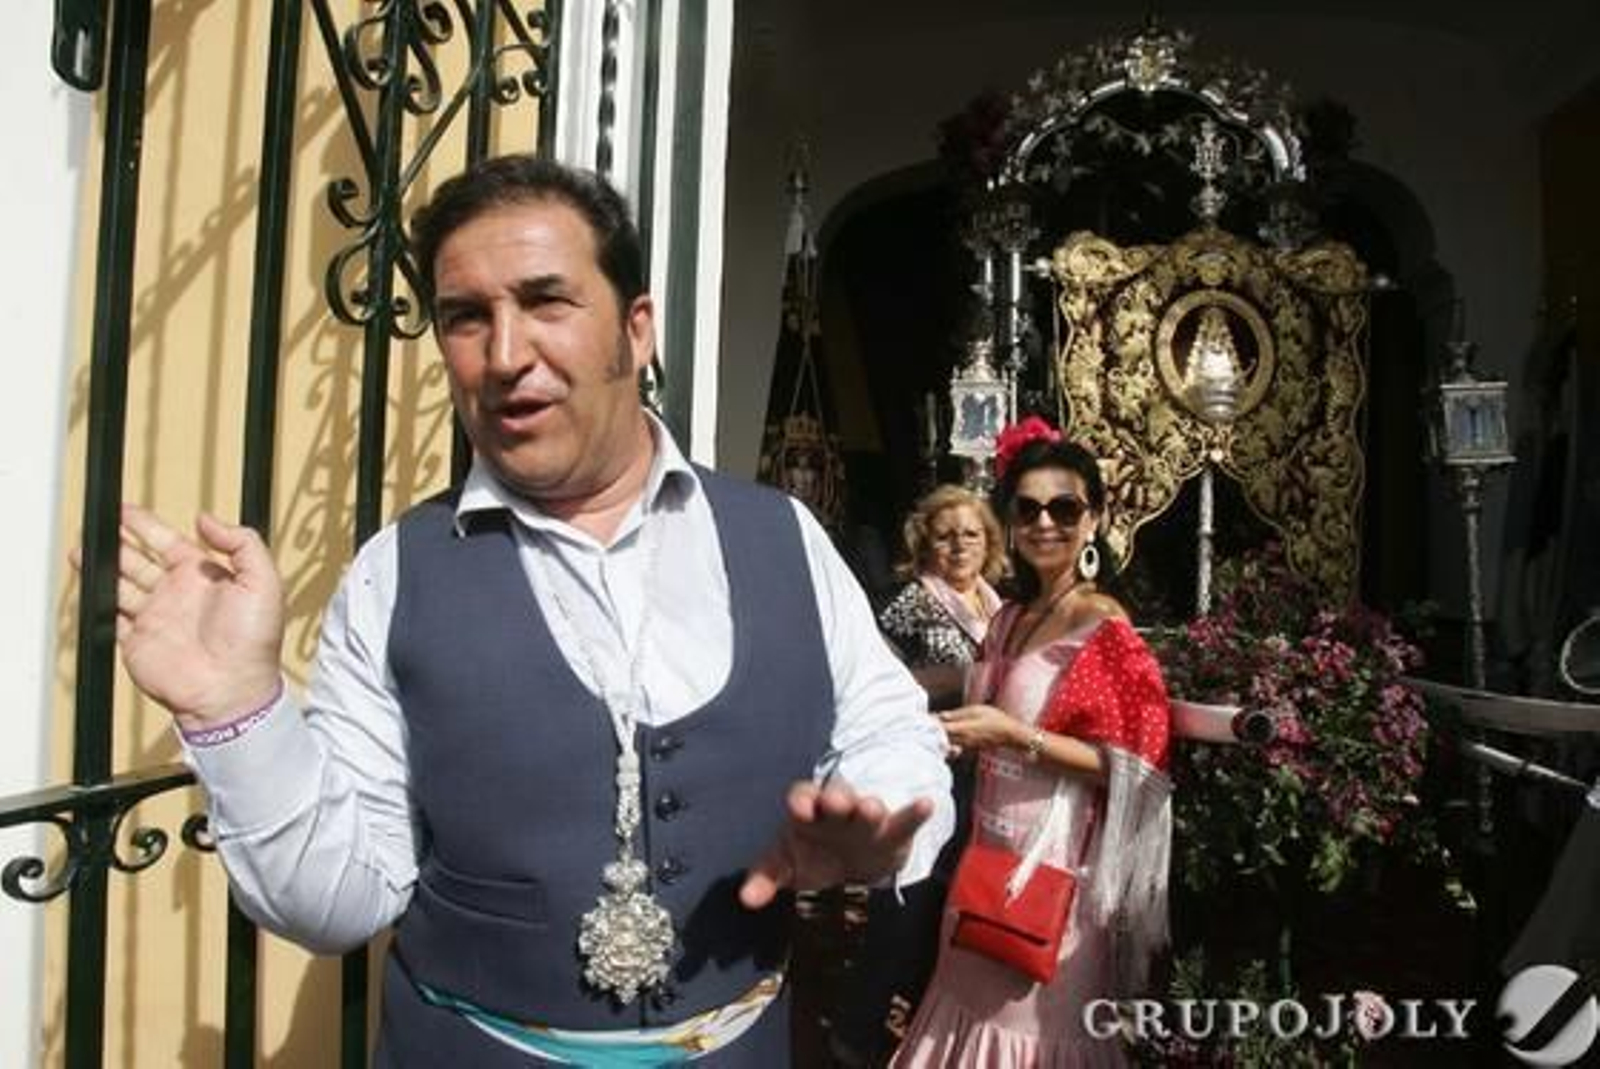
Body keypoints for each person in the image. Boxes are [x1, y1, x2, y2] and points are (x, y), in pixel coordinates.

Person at [106, 155, 952, 1066]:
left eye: (547, 301)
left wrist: (876, 815)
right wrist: (234, 709)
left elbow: (889, 729)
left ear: (636, 329)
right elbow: (333, 904)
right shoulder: (398, 571)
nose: (505, 355)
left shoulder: (783, 535)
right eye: (467, 317)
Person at [892, 417, 1172, 1067]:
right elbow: (983, 702)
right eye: (1029, 507)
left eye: (1065, 506)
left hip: (1056, 879)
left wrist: (1013, 734)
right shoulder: (1009, 617)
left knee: (1038, 1034)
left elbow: (1133, 763)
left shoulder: (1103, 622)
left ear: (1094, 519)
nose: (1046, 522)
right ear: (1011, 522)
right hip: (986, 861)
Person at [827, 486, 1005, 1064]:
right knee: (906, 908)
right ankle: (854, 1032)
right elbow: (880, 683)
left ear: (990, 543)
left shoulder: (1001, 605)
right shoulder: (905, 601)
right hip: (926, 771)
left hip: (990, 779)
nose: (958, 545)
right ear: (924, 542)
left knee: (960, 909)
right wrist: (965, 681)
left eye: (971, 534)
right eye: (945, 534)